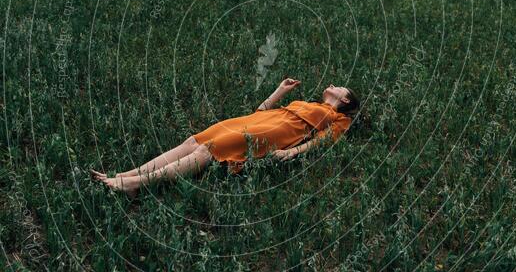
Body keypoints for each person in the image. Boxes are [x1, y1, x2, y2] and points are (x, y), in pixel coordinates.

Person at [91, 78, 360, 192]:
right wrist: (279, 91)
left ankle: (135, 185)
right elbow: (264, 110)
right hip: (254, 121)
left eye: (339, 87)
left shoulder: (340, 119)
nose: (332, 85)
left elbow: (321, 142)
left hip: (267, 135)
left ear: (345, 100)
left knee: (208, 152)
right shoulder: (311, 105)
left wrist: (290, 153)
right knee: (193, 141)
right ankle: (127, 175)